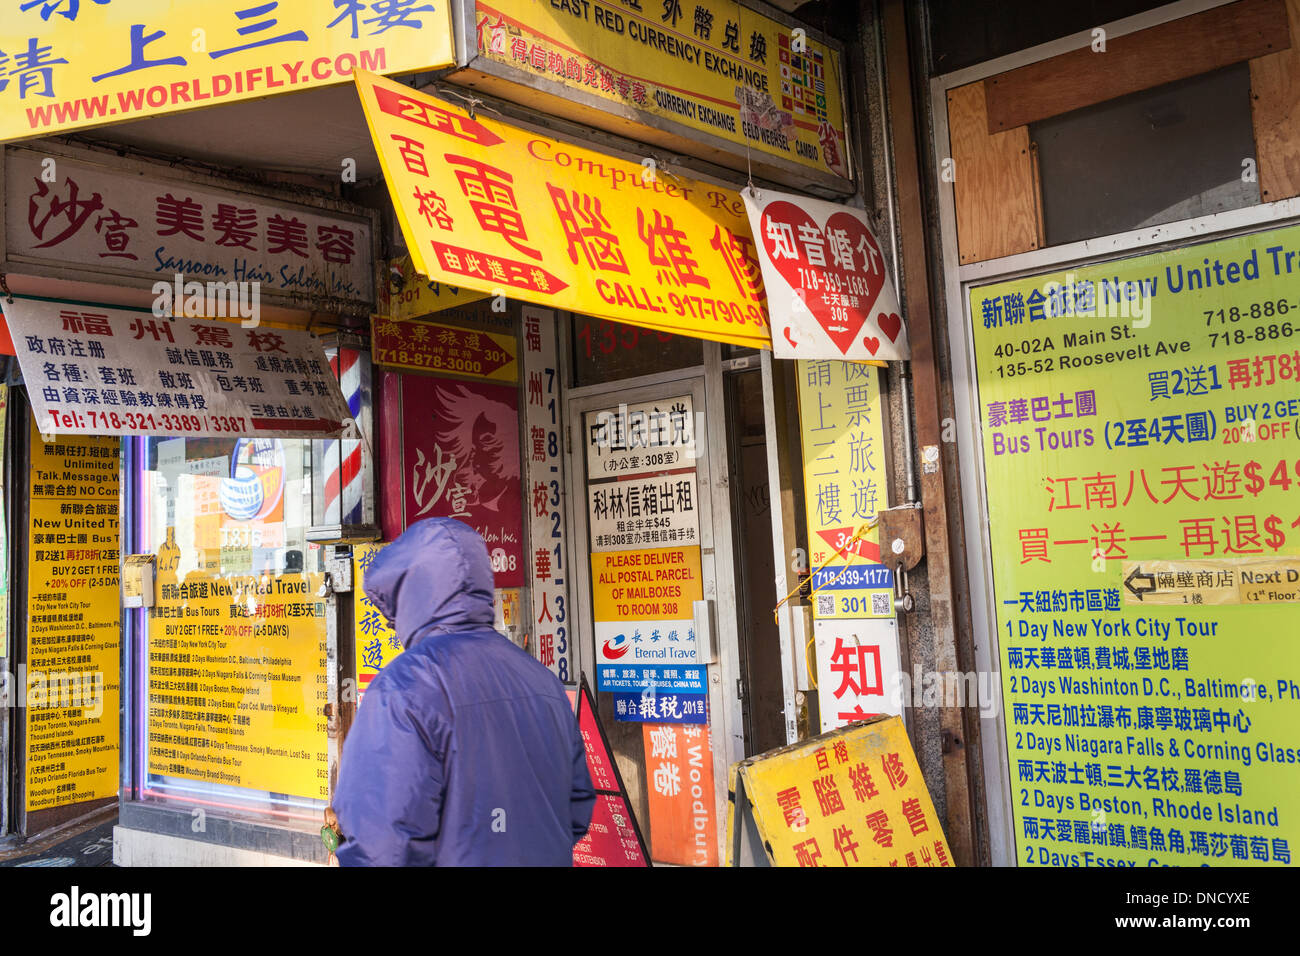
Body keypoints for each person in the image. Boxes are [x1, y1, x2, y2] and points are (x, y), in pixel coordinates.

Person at [333, 518, 594, 865]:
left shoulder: (404, 688)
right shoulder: (542, 681)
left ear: (408, 595)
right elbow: (575, 808)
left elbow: (380, 845)